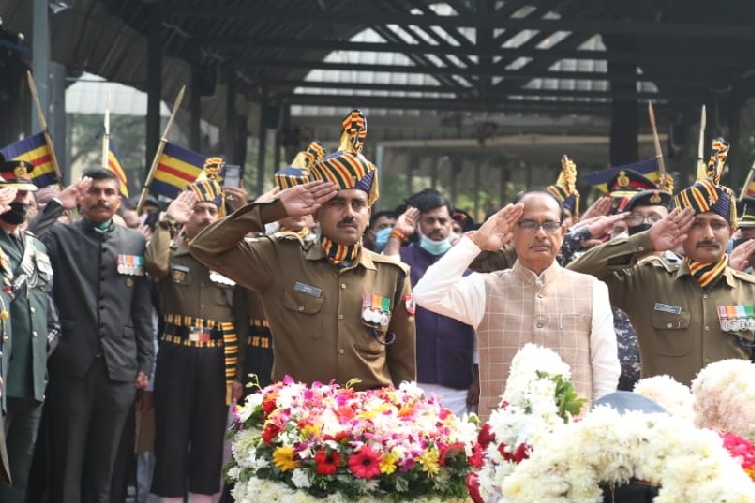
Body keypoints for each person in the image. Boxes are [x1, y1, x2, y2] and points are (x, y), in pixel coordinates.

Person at [189, 110, 416, 389]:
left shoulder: (393, 275)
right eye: (336, 203)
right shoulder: (280, 257)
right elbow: (204, 247)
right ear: (316, 212)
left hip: (369, 412)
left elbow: (403, 362)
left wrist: (406, 406)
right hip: (300, 411)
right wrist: (271, 210)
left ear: (368, 214)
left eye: (358, 204)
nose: (349, 213)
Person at [567, 140, 755, 384]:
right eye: (696, 224)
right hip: (661, 409)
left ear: (732, 231)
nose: (708, 234)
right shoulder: (648, 280)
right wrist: (646, 240)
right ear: (680, 229)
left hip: (731, 410)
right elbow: (576, 274)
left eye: (718, 225)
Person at [30, 170, 155, 503]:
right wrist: (57, 205)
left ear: (119, 200)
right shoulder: (61, 236)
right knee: (67, 462)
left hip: (120, 368)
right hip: (71, 365)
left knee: (107, 465)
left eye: (109, 193)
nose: (102, 198)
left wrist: (145, 364)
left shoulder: (134, 242)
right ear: (82, 200)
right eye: (94, 193)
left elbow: (141, 309)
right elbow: (28, 240)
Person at [411, 189, 619, 419]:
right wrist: (477, 242)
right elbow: (425, 293)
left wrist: (597, 423)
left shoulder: (592, 289)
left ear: (562, 232)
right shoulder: (485, 288)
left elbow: (605, 367)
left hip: (572, 434)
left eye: (549, 224)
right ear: (512, 233)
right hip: (501, 436)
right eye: (529, 224)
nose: (540, 233)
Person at [145, 163, 246, 503]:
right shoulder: (174, 250)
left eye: (211, 211)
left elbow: (242, 319)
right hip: (176, 355)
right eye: (198, 210)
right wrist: (168, 221)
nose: (204, 217)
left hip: (218, 361)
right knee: (170, 449)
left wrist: (237, 375)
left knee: (207, 454)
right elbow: (154, 266)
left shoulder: (231, 259)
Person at [0, 158, 52, 503]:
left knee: (14, 485)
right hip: (2, 382)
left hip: (30, 379)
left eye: (26, 195)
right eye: (12, 193)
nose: (21, 201)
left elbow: (44, 309)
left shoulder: (34, 246)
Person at [398, 188, 477, 415]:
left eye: (442, 220)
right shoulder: (403, 259)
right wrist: (397, 234)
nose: (437, 227)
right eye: (429, 220)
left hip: (457, 380)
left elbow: (478, 330)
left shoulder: (465, 265)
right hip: (412, 381)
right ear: (417, 223)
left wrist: (478, 378)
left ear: (452, 223)